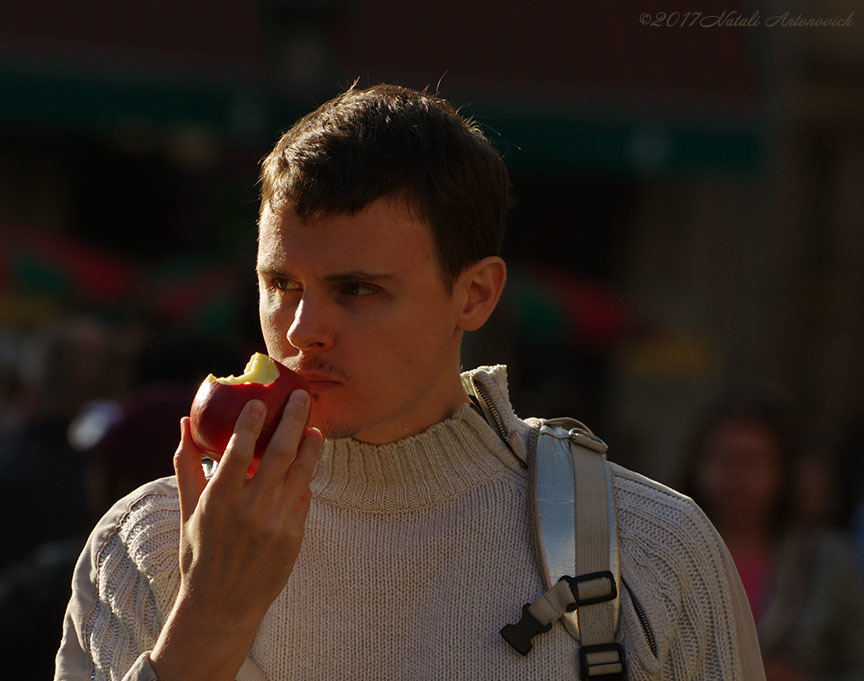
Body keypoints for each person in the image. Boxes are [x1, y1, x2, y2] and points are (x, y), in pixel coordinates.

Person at [56, 83, 765, 681]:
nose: (302, 328)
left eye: (357, 289)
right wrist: (202, 633)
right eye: (281, 283)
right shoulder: (147, 543)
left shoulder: (648, 546)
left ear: (476, 294)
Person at [679, 396, 864, 681]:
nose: (735, 477)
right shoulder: (669, 553)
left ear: (783, 471)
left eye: (751, 461)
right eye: (722, 459)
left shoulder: (825, 560)